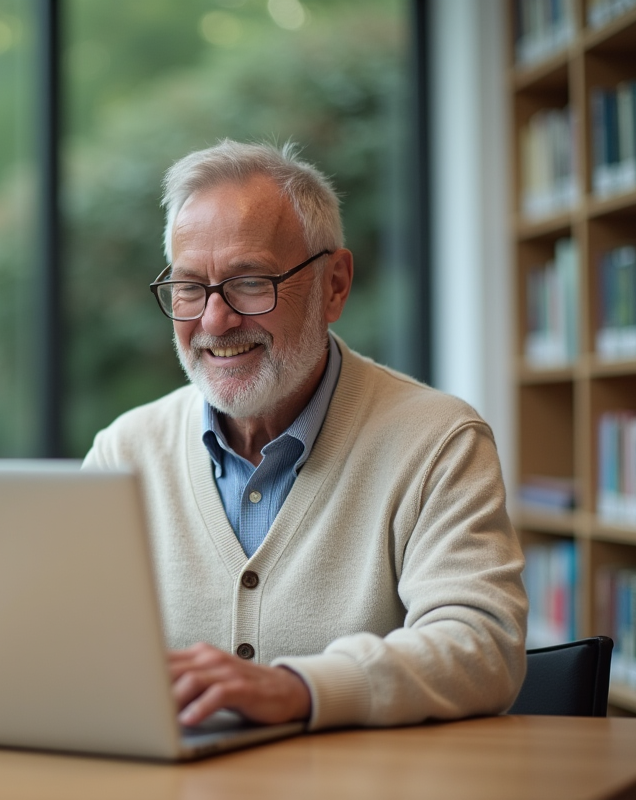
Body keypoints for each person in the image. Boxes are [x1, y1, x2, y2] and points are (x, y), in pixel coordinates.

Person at [82, 140, 527, 732]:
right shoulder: (123, 452)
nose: (214, 321)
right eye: (190, 287)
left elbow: (483, 647)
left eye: (249, 281)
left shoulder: (438, 441)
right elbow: (63, 645)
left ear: (334, 285)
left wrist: (297, 689)